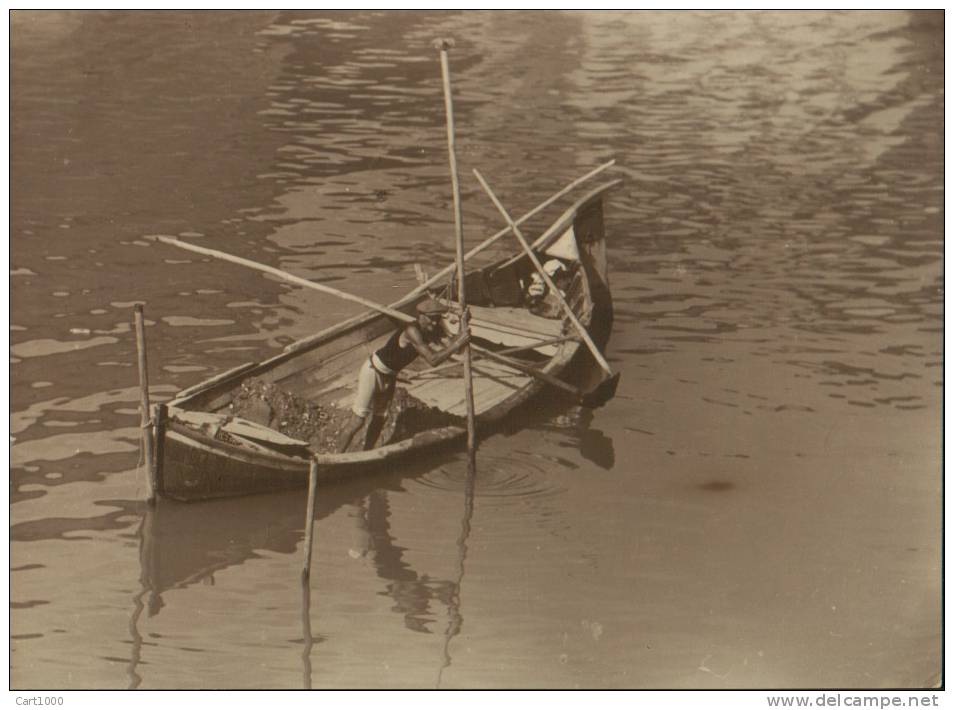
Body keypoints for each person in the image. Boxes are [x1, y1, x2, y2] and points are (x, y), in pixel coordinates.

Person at [337, 298, 470, 452]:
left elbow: (457, 348)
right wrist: (458, 343)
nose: (434, 324)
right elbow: (434, 360)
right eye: (431, 320)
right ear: (421, 316)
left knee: (380, 418)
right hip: (373, 371)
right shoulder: (412, 331)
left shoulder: (433, 329)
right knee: (358, 420)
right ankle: (333, 457)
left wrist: (463, 322)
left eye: (437, 320)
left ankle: (366, 453)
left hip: (390, 376)